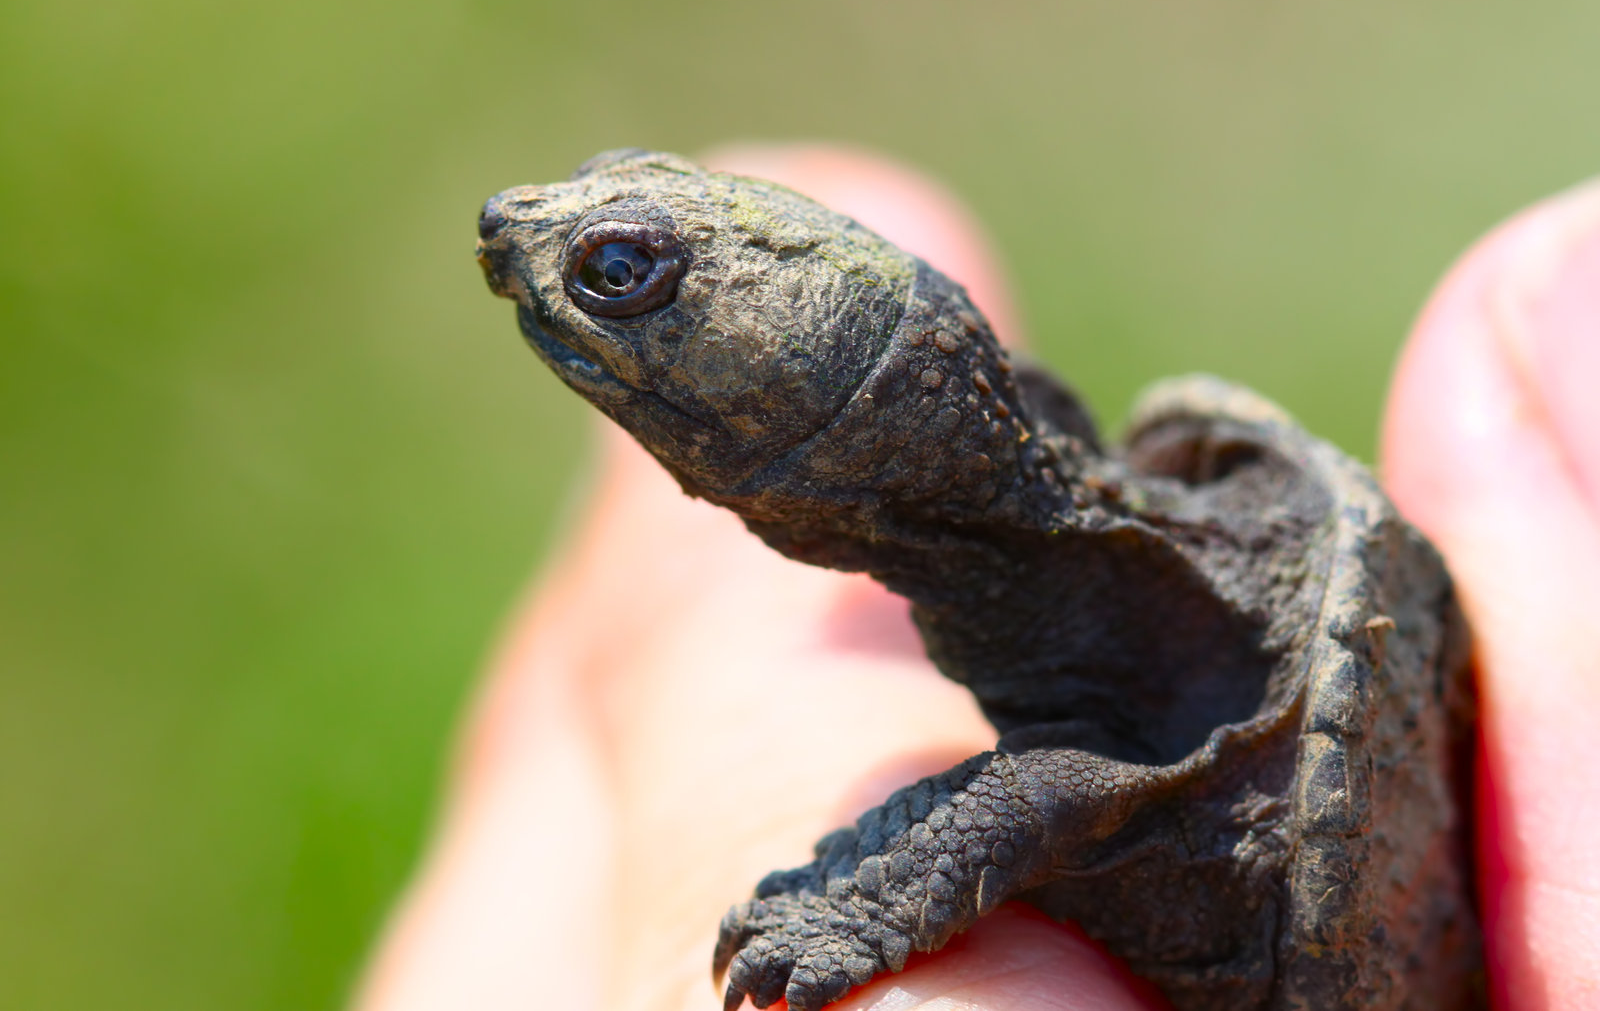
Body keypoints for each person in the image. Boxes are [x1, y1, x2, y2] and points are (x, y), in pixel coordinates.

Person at [357, 147, 1600, 1011]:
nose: (509, 228)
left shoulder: (1114, 601)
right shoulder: (1102, 547)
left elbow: (1062, 788)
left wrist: (874, 891)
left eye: (619, 272)